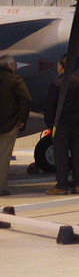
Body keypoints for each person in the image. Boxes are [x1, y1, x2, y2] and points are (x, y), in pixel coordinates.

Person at [45, 56, 79, 195]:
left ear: (60, 67)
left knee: (61, 155)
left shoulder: (57, 84)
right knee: (77, 154)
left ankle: (62, 185)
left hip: (62, 124)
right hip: (77, 125)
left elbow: (50, 107)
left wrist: (51, 124)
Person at [0, 55, 31, 196]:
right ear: (11, 66)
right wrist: (22, 119)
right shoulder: (16, 79)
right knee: (4, 158)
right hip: (9, 125)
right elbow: (26, 99)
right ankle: (1, 188)